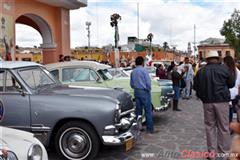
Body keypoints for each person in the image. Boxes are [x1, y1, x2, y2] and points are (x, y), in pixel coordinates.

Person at [194, 51, 235, 160]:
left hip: (207, 102)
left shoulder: (201, 71)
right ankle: (224, 153)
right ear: (217, 58)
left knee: (210, 127)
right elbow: (232, 84)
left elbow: (196, 87)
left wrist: (202, 97)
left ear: (207, 59)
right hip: (222, 101)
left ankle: (212, 153)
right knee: (224, 128)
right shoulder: (224, 69)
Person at [130, 56, 154, 133]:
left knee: (138, 111)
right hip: (144, 91)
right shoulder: (144, 71)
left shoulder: (133, 72)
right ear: (142, 63)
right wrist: (148, 89)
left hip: (136, 92)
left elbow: (132, 84)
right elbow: (148, 83)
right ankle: (149, 128)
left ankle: (139, 127)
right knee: (148, 110)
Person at [223, 56, 240, 123]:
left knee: (229, 113)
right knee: (236, 113)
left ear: (226, 63)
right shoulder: (238, 72)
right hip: (235, 95)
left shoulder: (226, 72)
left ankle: (230, 127)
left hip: (228, 95)